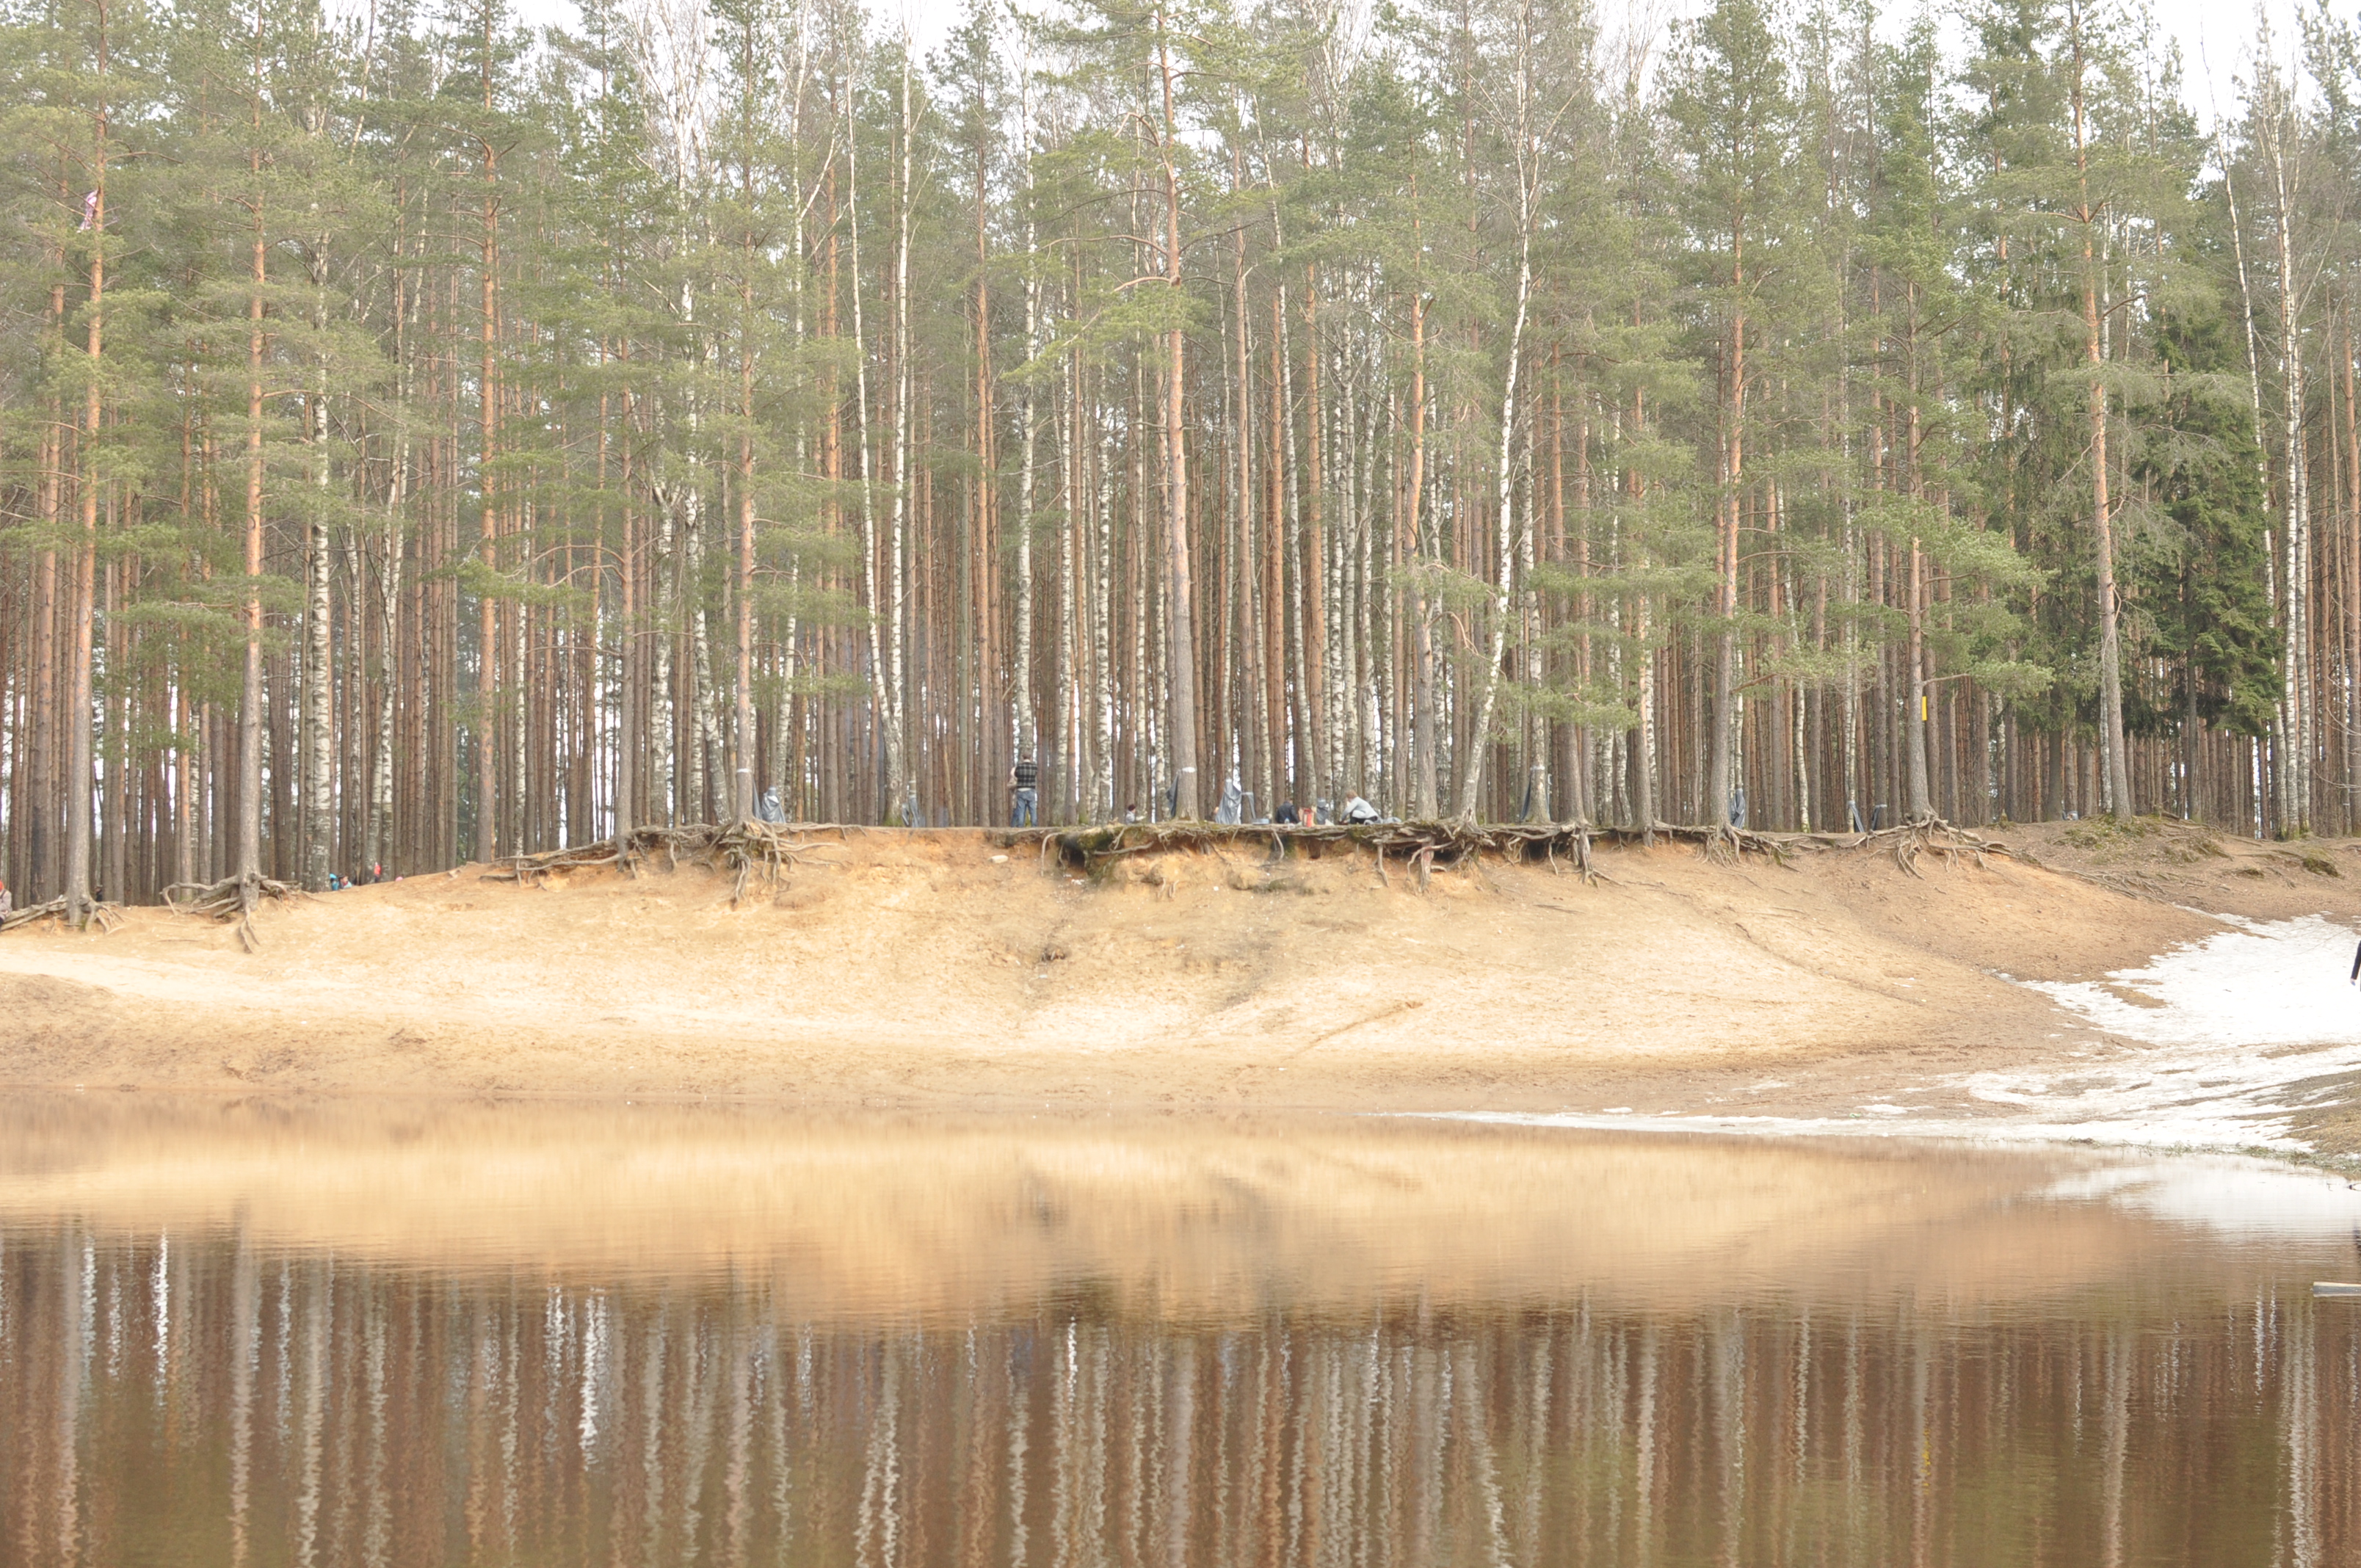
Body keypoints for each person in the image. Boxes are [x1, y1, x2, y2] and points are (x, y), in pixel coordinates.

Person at [1009, 755, 1040, 828]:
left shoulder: (1019, 767)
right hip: (1031, 790)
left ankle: (1020, 825)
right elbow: (1035, 774)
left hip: (1021, 790)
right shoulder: (1034, 767)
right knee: (1032, 809)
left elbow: (1016, 775)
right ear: (1030, 758)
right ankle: (1034, 825)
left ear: (1023, 758)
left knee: (1021, 809)